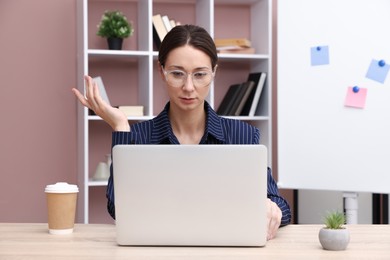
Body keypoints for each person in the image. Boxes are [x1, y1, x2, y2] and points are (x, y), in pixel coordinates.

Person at [72, 24, 291, 240]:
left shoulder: (242, 136)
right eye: (177, 74)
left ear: (213, 72)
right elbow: (118, 209)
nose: (188, 87)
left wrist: (271, 207)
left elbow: (280, 204)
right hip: (158, 249)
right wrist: (120, 127)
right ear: (161, 71)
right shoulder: (137, 137)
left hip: (224, 248)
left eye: (199, 74)